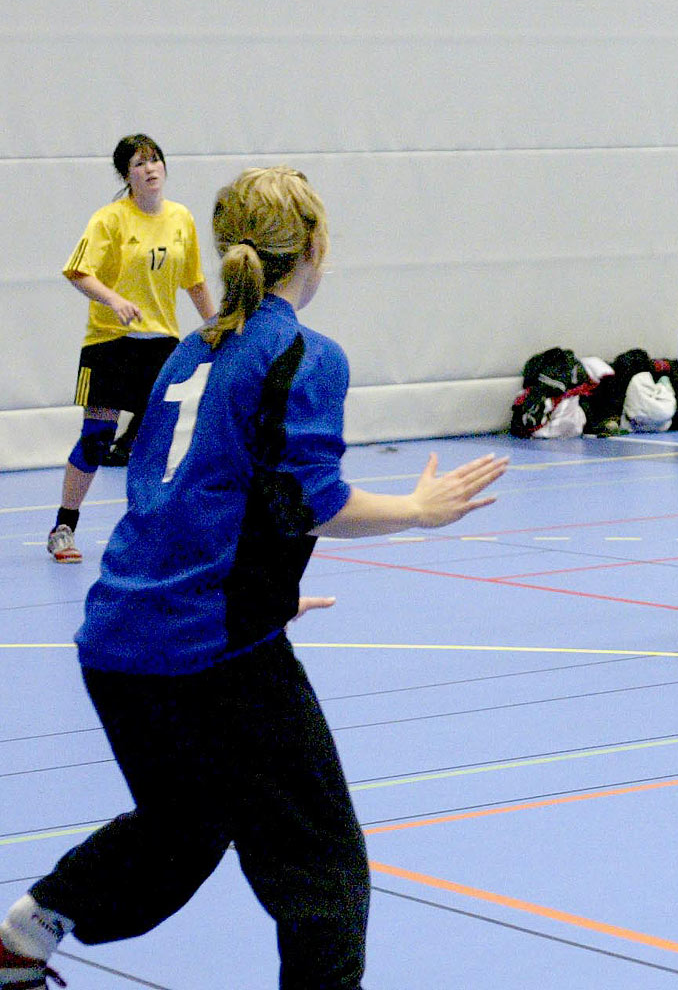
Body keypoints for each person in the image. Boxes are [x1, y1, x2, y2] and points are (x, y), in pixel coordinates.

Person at [0, 166, 509, 989]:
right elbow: (313, 501)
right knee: (323, 876)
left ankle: (24, 937)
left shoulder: (186, 354)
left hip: (119, 641)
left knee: (182, 829)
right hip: (211, 653)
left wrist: (262, 589)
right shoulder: (304, 354)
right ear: (315, 248)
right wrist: (417, 508)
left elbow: (171, 500)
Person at [48, 134, 218, 563]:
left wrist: (217, 326)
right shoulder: (109, 220)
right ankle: (64, 527)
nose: (150, 168)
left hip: (161, 346)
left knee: (157, 443)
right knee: (95, 439)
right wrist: (115, 299)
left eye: (155, 159)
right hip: (110, 342)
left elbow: (194, 280)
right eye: (140, 163)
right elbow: (77, 271)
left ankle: (151, 528)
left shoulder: (181, 218)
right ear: (127, 175)